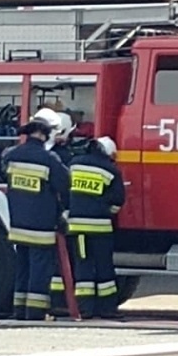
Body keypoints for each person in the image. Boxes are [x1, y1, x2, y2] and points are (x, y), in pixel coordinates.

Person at [4, 108, 70, 321]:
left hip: (17, 224)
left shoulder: (12, 155)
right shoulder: (48, 159)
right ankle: (35, 312)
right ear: (45, 133)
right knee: (40, 270)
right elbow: (64, 183)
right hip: (40, 226)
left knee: (22, 267)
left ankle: (19, 309)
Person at [66, 136, 126, 319]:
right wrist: (106, 211)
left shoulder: (74, 164)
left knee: (83, 266)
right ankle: (107, 309)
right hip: (101, 229)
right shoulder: (110, 170)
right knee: (104, 268)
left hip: (78, 228)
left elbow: (64, 189)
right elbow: (118, 201)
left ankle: (85, 309)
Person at [48, 111, 77, 314]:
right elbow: (66, 186)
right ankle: (63, 302)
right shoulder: (66, 158)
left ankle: (56, 301)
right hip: (62, 215)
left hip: (47, 214)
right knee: (65, 260)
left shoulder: (48, 155)